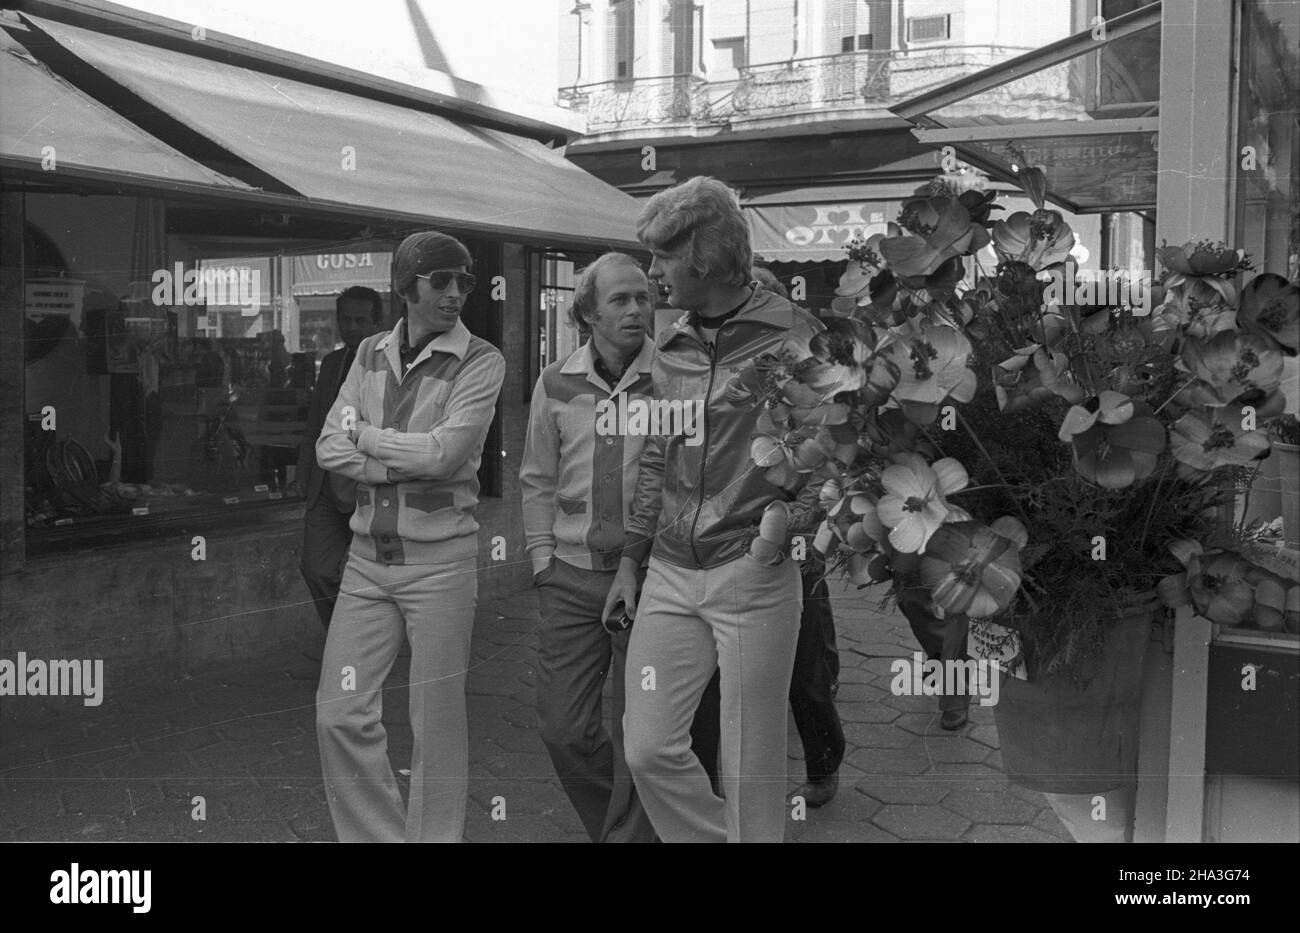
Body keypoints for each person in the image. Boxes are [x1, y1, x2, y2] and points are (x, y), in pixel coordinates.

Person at [605, 177, 826, 842]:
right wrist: (629, 563)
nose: (651, 273)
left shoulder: (794, 335)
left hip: (752, 571)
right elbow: (654, 461)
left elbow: (836, 448)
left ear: (704, 254)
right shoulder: (669, 345)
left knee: (750, 764)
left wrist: (788, 523)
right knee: (647, 745)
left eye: (663, 256)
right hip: (671, 570)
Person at [314, 231, 505, 843]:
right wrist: (392, 454)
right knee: (340, 713)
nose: (456, 293)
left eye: (465, 281)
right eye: (441, 280)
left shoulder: (482, 360)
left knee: (437, 722)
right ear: (406, 286)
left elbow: (445, 454)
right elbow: (326, 445)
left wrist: (365, 439)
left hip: (441, 564)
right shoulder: (368, 351)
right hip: (367, 560)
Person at [751, 266, 847, 807]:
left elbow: (823, 465)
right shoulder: (735, 382)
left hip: (795, 538)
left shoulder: (813, 387)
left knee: (803, 669)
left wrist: (802, 529)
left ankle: (822, 765)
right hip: (738, 540)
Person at [294, 286, 386, 630]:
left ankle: (359, 640)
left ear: (377, 322)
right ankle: (347, 635)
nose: (351, 327)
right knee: (315, 568)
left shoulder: (393, 367)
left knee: (374, 578)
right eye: (344, 319)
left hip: (369, 488)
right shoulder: (331, 364)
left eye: (360, 320)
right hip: (326, 488)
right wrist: (303, 474)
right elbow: (316, 423)